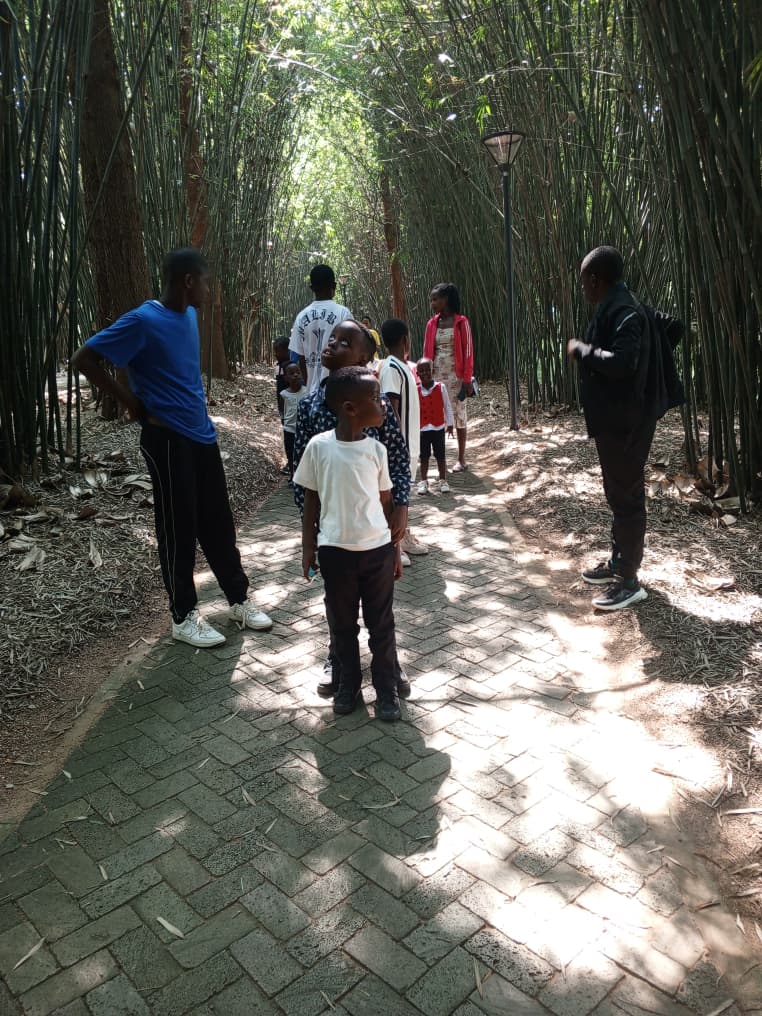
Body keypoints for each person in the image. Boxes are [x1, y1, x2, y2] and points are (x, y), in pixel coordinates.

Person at [71, 248, 273, 647]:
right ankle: (183, 616)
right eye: (206, 282)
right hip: (166, 440)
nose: (209, 290)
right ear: (188, 282)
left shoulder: (191, 316)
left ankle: (238, 599)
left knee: (218, 523)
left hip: (202, 435)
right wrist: (131, 402)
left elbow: (134, 359)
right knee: (178, 529)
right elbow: (84, 358)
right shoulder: (144, 319)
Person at [293, 319, 411, 701]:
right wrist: (311, 534)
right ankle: (340, 663)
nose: (332, 345)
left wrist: (402, 510)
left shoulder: (374, 403)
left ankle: (387, 667)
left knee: (380, 615)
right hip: (334, 534)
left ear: (363, 358)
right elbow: (305, 482)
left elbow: (397, 456)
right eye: (332, 339)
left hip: (373, 531)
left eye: (345, 343)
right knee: (340, 611)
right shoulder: (311, 405)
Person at [567, 244, 659, 611]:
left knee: (627, 498)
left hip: (626, 424)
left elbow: (623, 363)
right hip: (616, 421)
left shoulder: (625, 310)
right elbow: (670, 327)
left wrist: (582, 351)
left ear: (595, 280)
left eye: (583, 282)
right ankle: (619, 562)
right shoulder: (621, 305)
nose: (582, 290)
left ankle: (630, 580)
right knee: (618, 494)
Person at [379, 318, 426, 560]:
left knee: (404, 493)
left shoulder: (403, 366)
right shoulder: (391, 368)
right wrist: (396, 444)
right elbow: (390, 406)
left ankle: (402, 535)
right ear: (405, 339)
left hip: (411, 443)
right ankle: (393, 544)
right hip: (402, 445)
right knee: (397, 494)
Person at [423, 282, 474, 472]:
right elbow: (427, 351)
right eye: (431, 299)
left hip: (457, 376)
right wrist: (424, 377)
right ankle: (439, 458)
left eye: (435, 299)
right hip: (436, 376)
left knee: (459, 416)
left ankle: (461, 458)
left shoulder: (461, 322)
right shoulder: (431, 324)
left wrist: (467, 379)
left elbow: (468, 351)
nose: (432, 303)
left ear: (446, 300)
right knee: (436, 415)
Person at [289, 264, 352, 393]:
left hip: (312, 395)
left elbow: (300, 358)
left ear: (311, 288)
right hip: (338, 393)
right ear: (334, 286)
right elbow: (351, 352)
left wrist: (308, 387)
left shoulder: (301, 317)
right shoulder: (343, 313)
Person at [416, 356, 454, 495]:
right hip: (423, 430)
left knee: (440, 455)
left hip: (438, 428)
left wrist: (450, 424)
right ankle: (424, 481)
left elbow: (447, 406)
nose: (425, 373)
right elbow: (413, 412)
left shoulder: (441, 387)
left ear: (433, 371)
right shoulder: (416, 390)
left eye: (427, 370)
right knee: (424, 456)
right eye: (421, 371)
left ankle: (443, 480)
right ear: (417, 374)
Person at [279, 363, 308, 480]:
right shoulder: (283, 394)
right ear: (286, 378)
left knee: (303, 452)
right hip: (289, 429)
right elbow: (282, 410)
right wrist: (284, 422)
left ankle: (305, 476)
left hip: (303, 429)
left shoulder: (307, 392)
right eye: (291, 373)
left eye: (298, 372)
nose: (296, 375)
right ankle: (293, 476)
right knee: (290, 454)